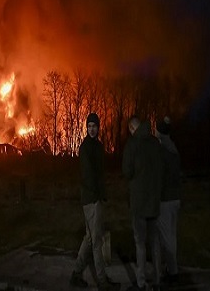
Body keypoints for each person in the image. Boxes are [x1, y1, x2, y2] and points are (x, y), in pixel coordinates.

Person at [70, 113, 120, 290]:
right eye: (89, 126)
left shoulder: (98, 146)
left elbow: (100, 173)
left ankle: (76, 274)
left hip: (95, 198)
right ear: (86, 128)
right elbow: (89, 175)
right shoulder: (85, 148)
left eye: (94, 126)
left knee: (90, 239)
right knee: (97, 240)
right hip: (92, 200)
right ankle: (102, 282)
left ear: (98, 128)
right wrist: (98, 196)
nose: (92, 129)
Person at [122, 115, 163, 291]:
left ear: (132, 128)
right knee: (154, 242)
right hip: (154, 202)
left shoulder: (132, 144)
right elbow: (162, 169)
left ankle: (141, 282)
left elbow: (126, 171)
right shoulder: (155, 143)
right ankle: (158, 279)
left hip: (139, 203)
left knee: (140, 243)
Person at [155, 116, 181, 285]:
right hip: (176, 199)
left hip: (165, 200)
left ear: (159, 131)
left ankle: (173, 273)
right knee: (171, 235)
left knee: (166, 239)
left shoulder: (162, 150)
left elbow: (158, 176)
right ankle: (170, 269)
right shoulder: (174, 149)